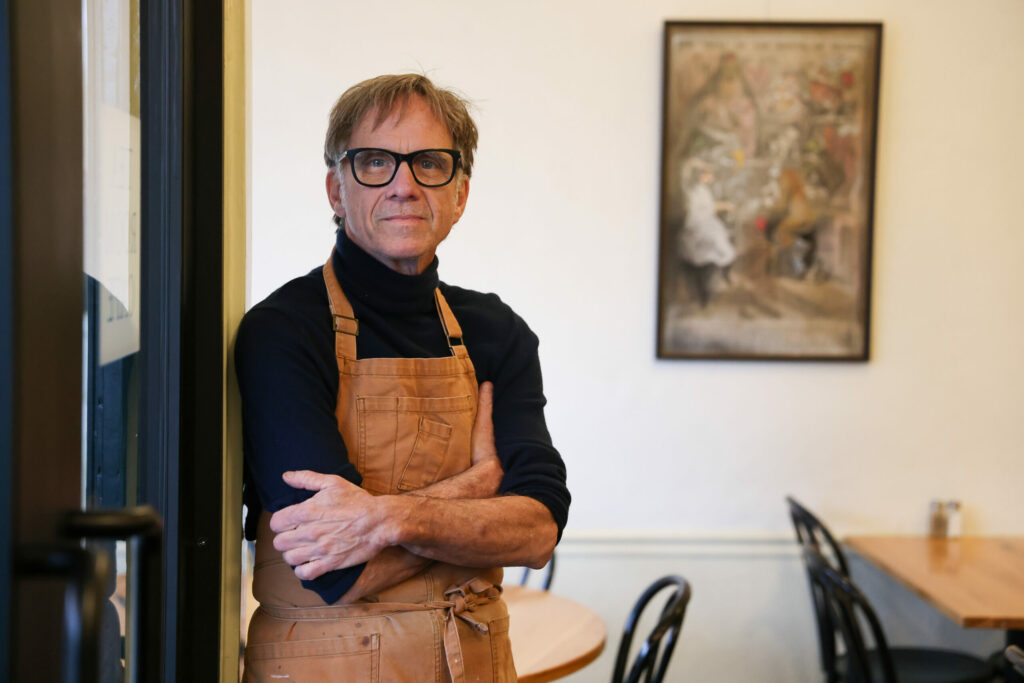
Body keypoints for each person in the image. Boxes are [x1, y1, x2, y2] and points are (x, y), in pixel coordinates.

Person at [235, 74, 571, 682]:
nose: (404, 185)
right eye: (374, 162)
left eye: (430, 163)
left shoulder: (497, 330)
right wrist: (475, 487)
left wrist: (386, 518)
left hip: (477, 662)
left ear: (461, 193)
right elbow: (333, 566)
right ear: (336, 190)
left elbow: (537, 531)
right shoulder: (283, 331)